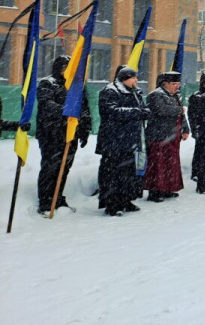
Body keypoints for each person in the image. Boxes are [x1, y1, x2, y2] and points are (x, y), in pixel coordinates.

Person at [36, 55, 92, 214]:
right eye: (67, 67)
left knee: (64, 167)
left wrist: (85, 128)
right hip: (51, 133)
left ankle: (58, 197)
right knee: (50, 167)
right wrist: (67, 111)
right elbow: (46, 104)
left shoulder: (76, 85)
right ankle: (45, 201)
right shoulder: (48, 83)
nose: (69, 71)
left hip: (70, 134)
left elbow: (85, 108)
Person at [97, 67, 151, 216]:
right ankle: (112, 204)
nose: (136, 81)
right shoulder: (110, 91)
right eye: (133, 78)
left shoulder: (135, 92)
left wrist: (145, 111)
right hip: (113, 139)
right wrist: (137, 112)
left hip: (131, 139)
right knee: (112, 173)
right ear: (124, 78)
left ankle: (126, 200)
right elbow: (111, 112)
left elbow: (142, 108)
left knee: (128, 173)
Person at [144, 71, 189, 202]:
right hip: (158, 136)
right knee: (157, 165)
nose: (177, 86)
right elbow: (161, 110)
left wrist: (186, 129)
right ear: (166, 84)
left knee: (170, 165)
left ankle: (168, 189)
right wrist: (179, 110)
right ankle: (155, 192)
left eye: (178, 84)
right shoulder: (156, 95)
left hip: (172, 136)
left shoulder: (175, 96)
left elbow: (182, 115)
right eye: (175, 84)